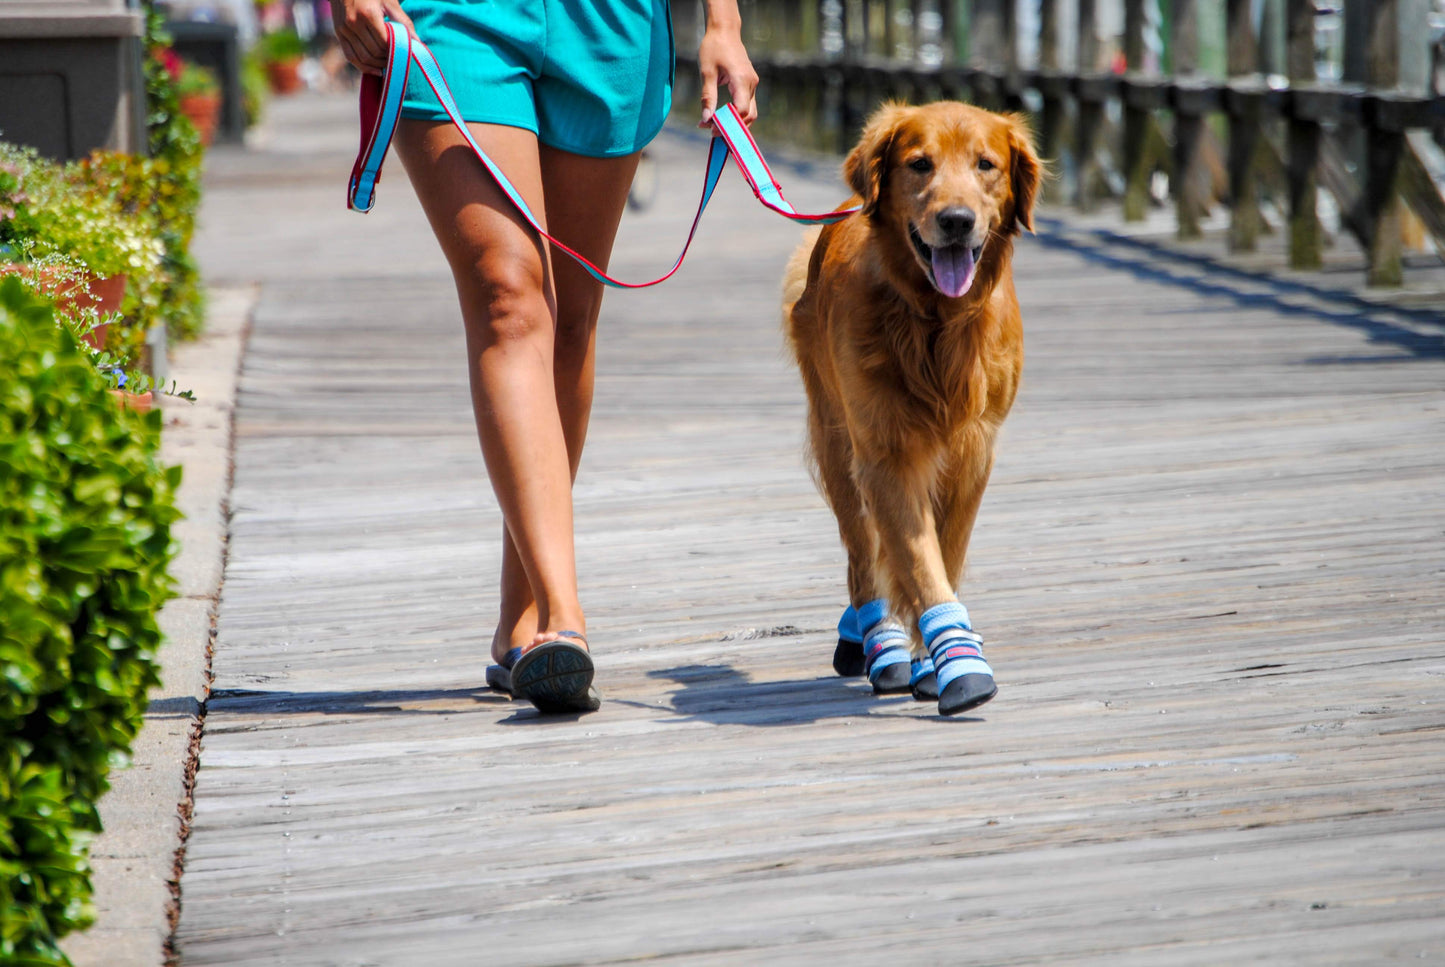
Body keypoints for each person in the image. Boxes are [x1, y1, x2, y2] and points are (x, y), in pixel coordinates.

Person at [330, 0, 758, 713]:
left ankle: (520, 621)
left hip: (608, 22)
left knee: (568, 325)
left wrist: (722, 22)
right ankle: (565, 618)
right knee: (509, 296)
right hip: (452, 17)